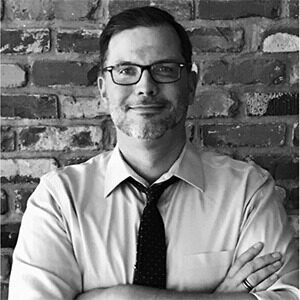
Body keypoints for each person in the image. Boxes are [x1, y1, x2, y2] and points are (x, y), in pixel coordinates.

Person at [9, 6, 298, 300]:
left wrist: (120, 297)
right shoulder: (59, 199)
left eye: (165, 70)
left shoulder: (248, 191)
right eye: (126, 71)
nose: (145, 87)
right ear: (103, 89)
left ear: (191, 86)